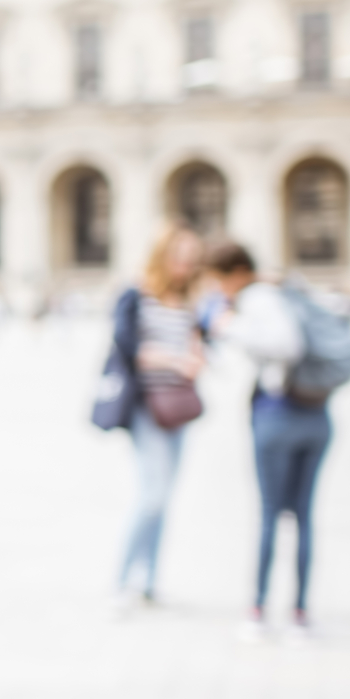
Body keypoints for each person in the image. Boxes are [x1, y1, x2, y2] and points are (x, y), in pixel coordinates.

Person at [205, 242, 350, 639]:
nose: (219, 290)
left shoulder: (257, 299)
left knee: (271, 513)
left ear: (235, 273)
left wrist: (229, 328)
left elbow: (286, 345)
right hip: (317, 414)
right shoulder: (289, 289)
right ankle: (301, 612)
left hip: (278, 415)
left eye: (218, 281)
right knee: (303, 516)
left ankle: (257, 610)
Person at [111, 225, 207, 609]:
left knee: (164, 496)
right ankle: (121, 581)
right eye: (178, 255)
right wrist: (173, 359)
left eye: (191, 258)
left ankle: (148, 581)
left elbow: (201, 344)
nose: (185, 264)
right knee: (151, 495)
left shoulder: (190, 300)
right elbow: (127, 347)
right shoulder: (136, 295)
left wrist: (197, 357)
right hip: (146, 406)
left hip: (179, 407)